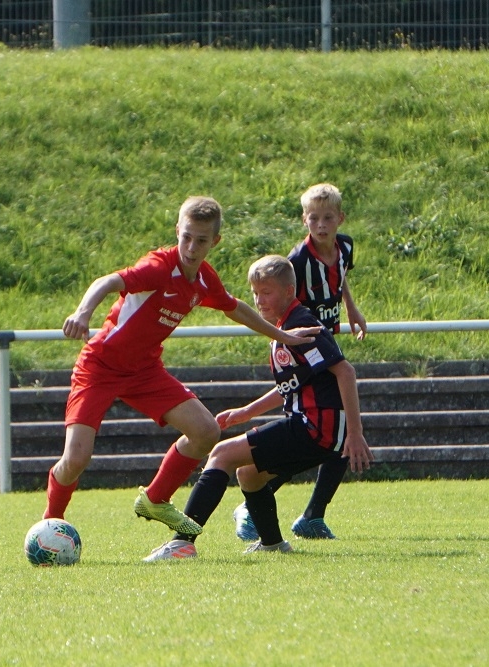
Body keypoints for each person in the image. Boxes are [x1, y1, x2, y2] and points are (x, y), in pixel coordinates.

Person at [41, 196, 320, 537]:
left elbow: (234, 307)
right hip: (100, 367)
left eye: (201, 240)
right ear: (177, 231)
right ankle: (50, 523)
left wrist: (283, 335)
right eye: (186, 237)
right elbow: (108, 282)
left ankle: (155, 499)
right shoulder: (159, 266)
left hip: (145, 371)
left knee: (206, 431)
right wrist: (83, 313)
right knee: (76, 460)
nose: (191, 247)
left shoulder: (203, 279)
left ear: (214, 241)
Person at [145, 254, 373, 561]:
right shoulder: (286, 327)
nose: (259, 300)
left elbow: (345, 371)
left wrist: (355, 433)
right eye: (255, 293)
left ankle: (182, 542)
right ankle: (273, 543)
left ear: (289, 291)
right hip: (318, 430)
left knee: (222, 454)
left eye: (267, 292)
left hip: (315, 427)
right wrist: (246, 413)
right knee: (250, 474)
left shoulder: (301, 325)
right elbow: (293, 384)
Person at [233, 183, 366, 542]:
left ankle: (310, 515)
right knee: (320, 433)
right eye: (314, 218)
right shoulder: (299, 260)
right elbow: (285, 301)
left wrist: (351, 309)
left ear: (340, 218)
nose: (321, 225)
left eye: (328, 218)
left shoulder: (345, 246)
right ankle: (256, 502)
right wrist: (288, 340)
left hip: (324, 344)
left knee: (335, 433)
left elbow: (341, 278)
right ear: (304, 220)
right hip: (304, 347)